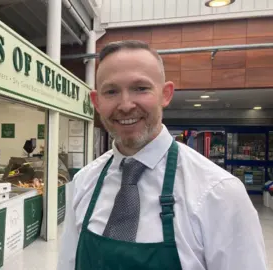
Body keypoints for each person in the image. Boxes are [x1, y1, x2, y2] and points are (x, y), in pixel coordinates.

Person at [57, 40, 267, 270]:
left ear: (165, 95)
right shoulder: (84, 182)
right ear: (96, 102)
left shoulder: (219, 193)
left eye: (140, 88)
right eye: (111, 91)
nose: (125, 105)